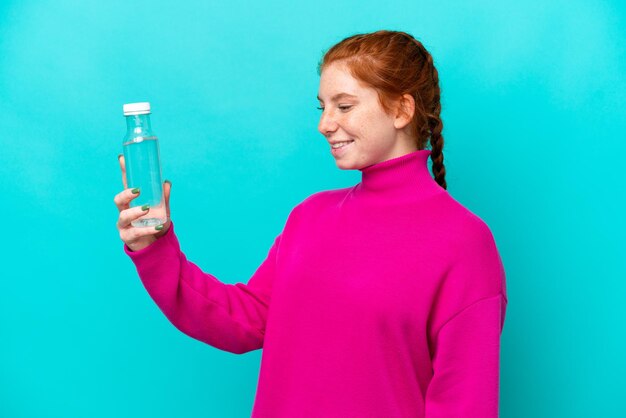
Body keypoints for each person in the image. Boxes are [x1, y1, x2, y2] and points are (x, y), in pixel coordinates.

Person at [114, 30, 508, 417]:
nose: (325, 124)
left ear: (402, 110)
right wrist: (154, 250)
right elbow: (242, 319)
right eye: (323, 107)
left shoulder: (463, 241)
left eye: (345, 106)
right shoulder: (310, 218)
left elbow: (465, 402)